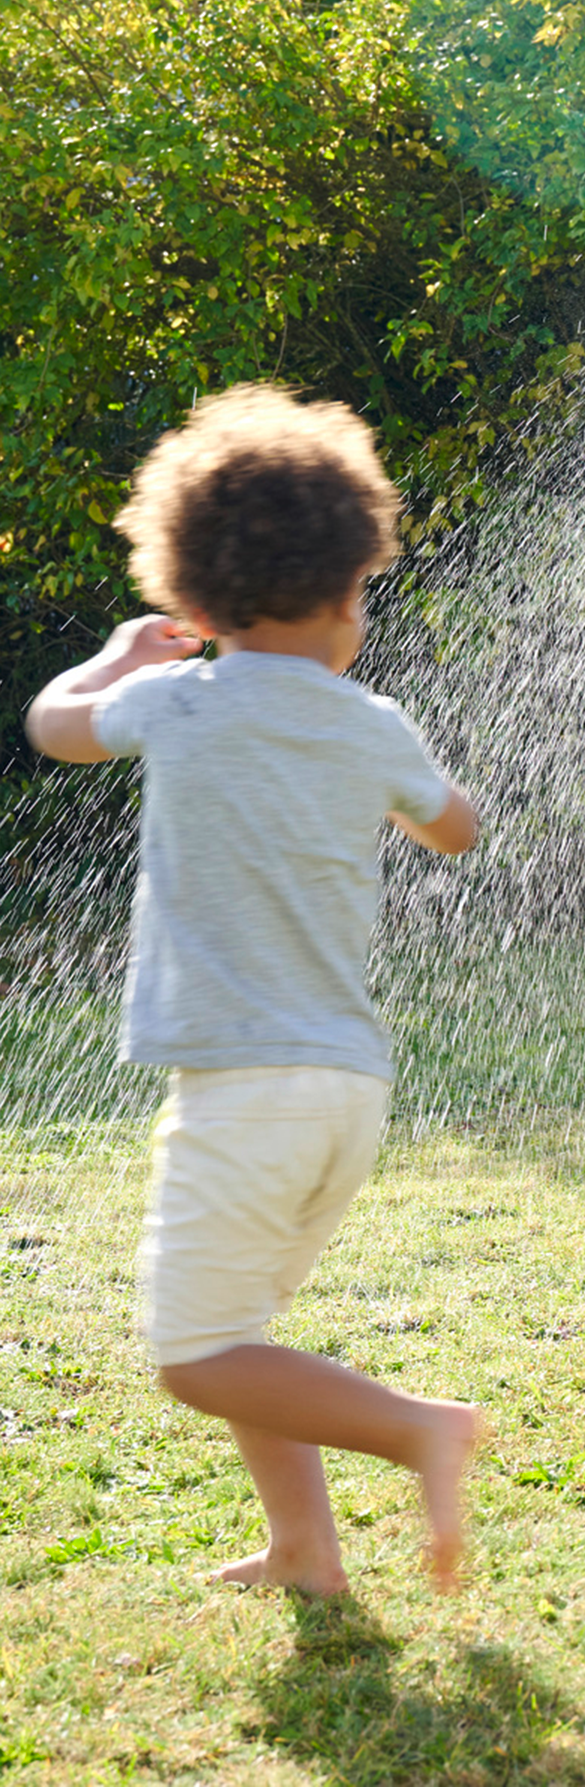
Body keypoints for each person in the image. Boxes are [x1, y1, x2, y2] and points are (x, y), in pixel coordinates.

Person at [25, 385, 485, 1590]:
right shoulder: (367, 718)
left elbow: (51, 724)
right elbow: (457, 828)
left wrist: (118, 654)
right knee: (240, 1329)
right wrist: (399, 786)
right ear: (346, 589)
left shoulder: (176, 698)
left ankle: (418, 1428)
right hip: (347, 1090)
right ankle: (302, 1549)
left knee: (197, 1351)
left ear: (192, 597)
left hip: (243, 1095)